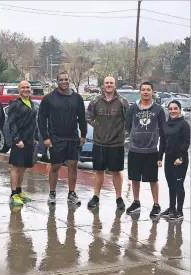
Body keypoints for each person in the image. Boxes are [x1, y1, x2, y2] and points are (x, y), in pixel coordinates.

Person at [38, 72, 87, 205]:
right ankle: (52, 193)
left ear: (68, 80)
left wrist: (83, 134)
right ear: (57, 81)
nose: (64, 82)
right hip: (56, 138)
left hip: (72, 138)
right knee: (55, 166)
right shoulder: (49, 98)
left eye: (66, 79)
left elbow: (82, 118)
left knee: (73, 166)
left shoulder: (77, 98)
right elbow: (41, 119)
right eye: (61, 80)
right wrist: (46, 137)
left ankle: (71, 193)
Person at [86, 76, 129, 209]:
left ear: (115, 85)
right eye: (106, 83)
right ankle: (96, 196)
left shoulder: (122, 102)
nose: (109, 85)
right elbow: (88, 117)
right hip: (99, 142)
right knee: (99, 171)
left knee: (116, 171)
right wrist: (98, 127)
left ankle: (119, 198)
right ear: (103, 85)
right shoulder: (95, 101)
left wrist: (122, 133)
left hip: (116, 143)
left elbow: (128, 120)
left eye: (111, 83)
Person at [125, 81, 166, 217]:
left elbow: (163, 129)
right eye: (143, 90)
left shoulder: (159, 109)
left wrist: (159, 150)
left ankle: (156, 204)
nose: (146, 92)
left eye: (149, 90)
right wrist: (136, 136)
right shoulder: (132, 109)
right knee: (135, 178)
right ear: (140, 92)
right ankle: (136, 202)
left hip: (151, 150)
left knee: (153, 179)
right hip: (134, 149)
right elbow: (128, 126)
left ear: (152, 92)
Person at [8, 80, 39, 206]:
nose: (26, 89)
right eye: (23, 87)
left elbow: (33, 122)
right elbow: (11, 123)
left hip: (29, 140)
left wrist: (35, 137)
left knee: (23, 167)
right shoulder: (15, 104)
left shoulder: (32, 103)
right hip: (19, 141)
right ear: (19, 89)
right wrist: (16, 139)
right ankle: (14, 194)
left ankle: (20, 191)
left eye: (28, 87)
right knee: (16, 166)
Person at [158, 100, 190, 220]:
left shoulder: (184, 124)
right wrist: (160, 157)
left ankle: (179, 211)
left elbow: (187, 142)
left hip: (180, 160)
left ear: (180, 110)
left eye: (175, 108)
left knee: (178, 184)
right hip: (169, 159)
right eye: (170, 109)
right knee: (171, 184)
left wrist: (180, 158)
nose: (172, 111)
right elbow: (162, 142)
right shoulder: (165, 125)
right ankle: (171, 208)